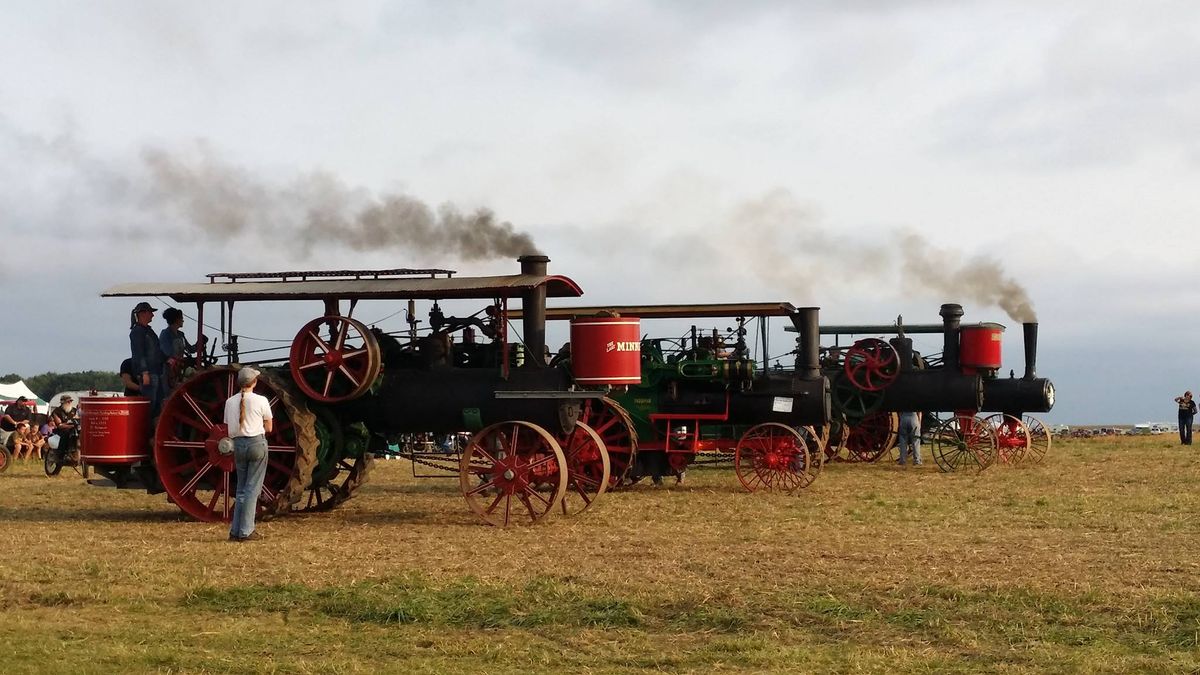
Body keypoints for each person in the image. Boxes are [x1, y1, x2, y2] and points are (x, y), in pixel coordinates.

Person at [224, 366, 273, 542]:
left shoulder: (229, 402)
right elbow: (269, 427)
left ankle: (235, 531)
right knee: (252, 490)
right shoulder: (261, 400)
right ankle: (246, 531)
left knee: (241, 489)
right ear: (254, 382)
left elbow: (228, 425)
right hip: (256, 444)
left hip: (238, 446)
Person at [129, 301, 165, 416]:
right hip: (149, 373)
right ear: (143, 313)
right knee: (150, 404)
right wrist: (144, 372)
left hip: (155, 372)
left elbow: (157, 351)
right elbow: (139, 353)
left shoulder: (147, 331)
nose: (152, 315)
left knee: (157, 404)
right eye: (150, 312)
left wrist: (168, 359)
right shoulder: (138, 332)